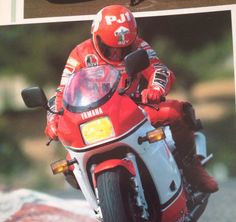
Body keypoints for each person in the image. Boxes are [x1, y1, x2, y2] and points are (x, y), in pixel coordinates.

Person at [45, 5, 218, 194]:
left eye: (124, 49)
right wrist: (53, 119)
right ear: (96, 37)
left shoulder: (139, 46)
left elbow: (159, 70)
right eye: (109, 49)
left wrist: (155, 89)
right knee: (71, 167)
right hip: (93, 118)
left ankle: (192, 167)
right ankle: (104, 199)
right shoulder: (79, 54)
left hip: (133, 109)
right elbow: (62, 91)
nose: (117, 54)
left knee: (177, 112)